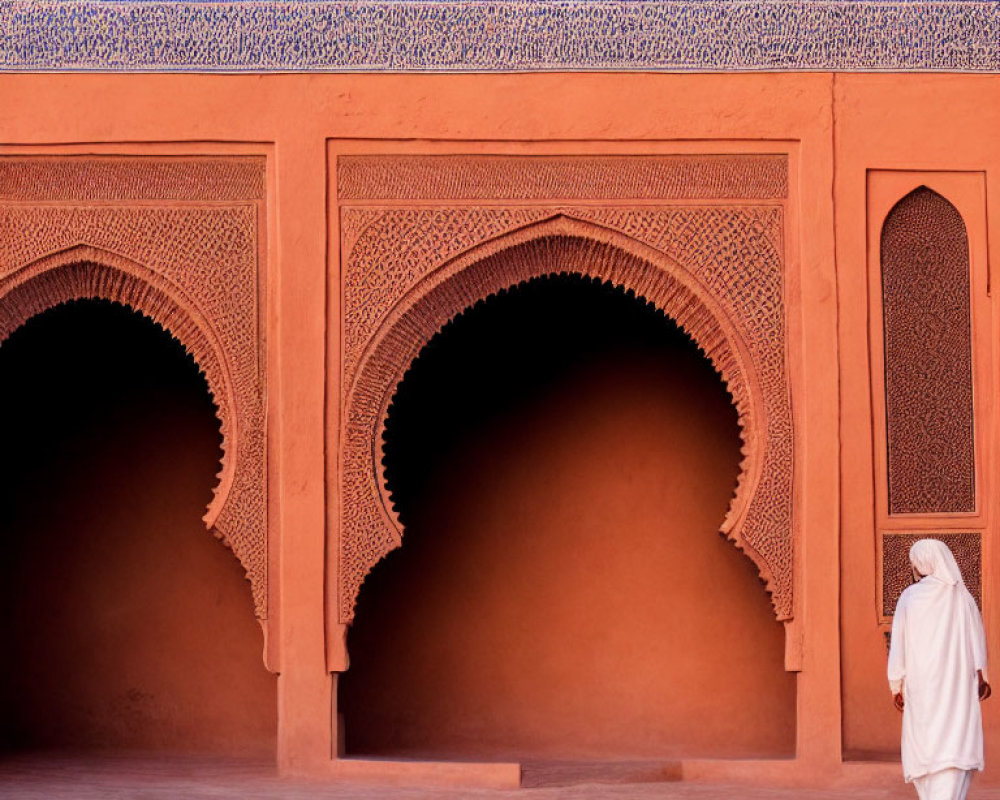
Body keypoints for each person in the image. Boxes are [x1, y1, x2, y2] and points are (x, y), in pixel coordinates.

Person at [888, 538, 991, 800]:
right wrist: (981, 676)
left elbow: (898, 645)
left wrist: (896, 684)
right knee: (954, 743)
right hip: (957, 687)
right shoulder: (962, 598)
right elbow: (977, 640)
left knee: (928, 747)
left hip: (922, 690)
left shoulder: (909, 598)